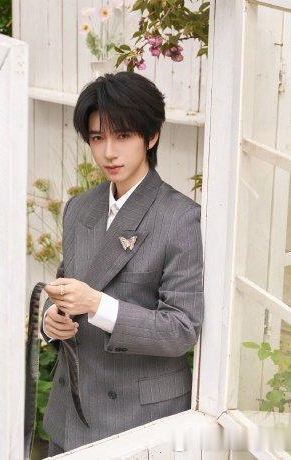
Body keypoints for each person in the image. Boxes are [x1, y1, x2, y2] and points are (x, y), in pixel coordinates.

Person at [40, 71, 204, 456]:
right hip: (70, 410)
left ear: (152, 136)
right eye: (98, 138)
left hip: (138, 419)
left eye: (123, 136)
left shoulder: (180, 218)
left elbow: (182, 329)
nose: (109, 153)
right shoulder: (80, 208)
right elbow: (64, 284)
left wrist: (97, 305)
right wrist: (51, 319)